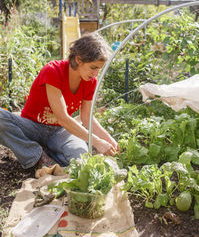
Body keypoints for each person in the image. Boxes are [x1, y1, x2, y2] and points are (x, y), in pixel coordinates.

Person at [0, 32, 119, 169]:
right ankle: (37, 157)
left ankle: (49, 153)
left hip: (61, 131)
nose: (95, 73)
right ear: (79, 59)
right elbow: (62, 117)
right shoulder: (53, 71)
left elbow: (87, 118)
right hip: (32, 127)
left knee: (81, 160)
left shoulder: (90, 81)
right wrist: (97, 142)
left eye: (99, 69)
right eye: (93, 67)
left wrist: (111, 142)